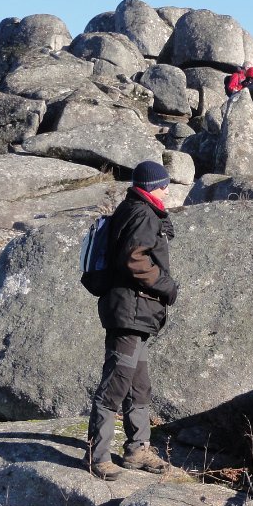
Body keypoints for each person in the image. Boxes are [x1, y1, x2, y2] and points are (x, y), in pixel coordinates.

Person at [87, 160, 179, 481]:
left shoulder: (137, 210)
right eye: (163, 185)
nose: (167, 191)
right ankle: (98, 456)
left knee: (139, 385)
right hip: (129, 312)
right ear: (152, 186)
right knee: (116, 383)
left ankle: (137, 449)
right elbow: (134, 259)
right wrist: (166, 286)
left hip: (135, 313)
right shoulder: (141, 213)